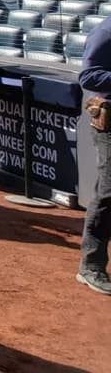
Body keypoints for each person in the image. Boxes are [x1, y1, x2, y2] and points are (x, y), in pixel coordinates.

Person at [77, 16, 111, 295]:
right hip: (109, 123)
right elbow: (88, 76)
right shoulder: (106, 30)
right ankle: (91, 265)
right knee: (108, 192)